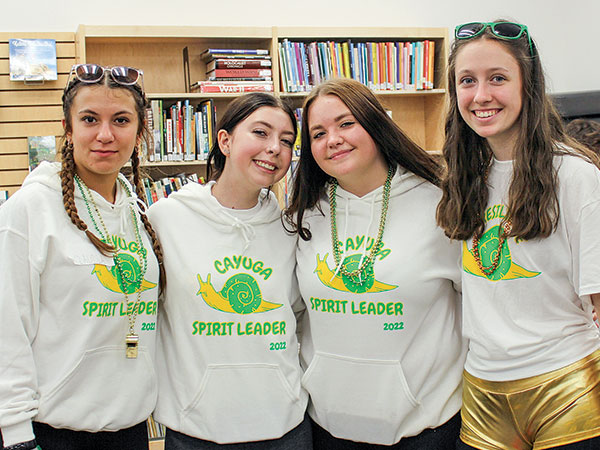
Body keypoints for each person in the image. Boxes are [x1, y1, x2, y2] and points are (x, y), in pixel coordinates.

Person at [436, 20, 600, 450]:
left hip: (568, 387)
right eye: (467, 81)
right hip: (482, 392)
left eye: (498, 79)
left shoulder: (576, 176)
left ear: (529, 86)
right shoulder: (459, 181)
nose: (481, 96)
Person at [284, 77, 465, 449]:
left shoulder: (440, 205)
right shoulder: (304, 216)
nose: (332, 139)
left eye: (346, 123)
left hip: (424, 429)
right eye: (317, 133)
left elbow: (478, 302)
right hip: (329, 428)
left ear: (376, 123)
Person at [0, 63, 164, 450]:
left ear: (139, 132)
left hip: (132, 429)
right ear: (68, 128)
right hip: (52, 435)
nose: (105, 135)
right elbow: (7, 330)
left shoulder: (139, 211)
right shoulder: (29, 210)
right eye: (90, 119)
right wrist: (15, 435)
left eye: (121, 120)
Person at [147, 93, 311, 449]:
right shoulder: (166, 219)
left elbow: (300, 318)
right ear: (225, 140)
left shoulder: (291, 229)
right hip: (196, 430)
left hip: (284, 428)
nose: (274, 148)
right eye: (260, 133)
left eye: (286, 141)